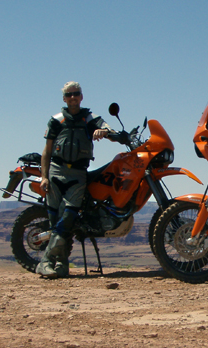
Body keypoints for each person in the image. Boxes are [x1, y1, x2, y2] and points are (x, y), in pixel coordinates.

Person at [36, 81, 117, 279]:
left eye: (76, 94)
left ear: (82, 97)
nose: (73, 97)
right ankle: (62, 265)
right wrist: (44, 177)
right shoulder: (56, 121)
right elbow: (46, 150)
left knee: (67, 220)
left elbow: (108, 129)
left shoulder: (89, 118)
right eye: (69, 94)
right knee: (57, 220)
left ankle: (45, 262)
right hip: (56, 172)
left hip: (78, 174)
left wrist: (104, 131)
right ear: (64, 98)